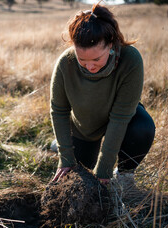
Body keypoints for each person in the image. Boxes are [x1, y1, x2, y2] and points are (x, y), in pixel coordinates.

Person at [50, 3, 155, 190]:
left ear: (111, 44)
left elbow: (121, 116)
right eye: (82, 60)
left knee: (142, 127)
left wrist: (105, 167)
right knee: (80, 171)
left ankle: (124, 177)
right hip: (84, 127)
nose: (89, 67)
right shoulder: (65, 63)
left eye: (96, 59)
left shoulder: (130, 60)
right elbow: (59, 110)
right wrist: (65, 157)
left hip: (120, 122)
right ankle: (56, 144)